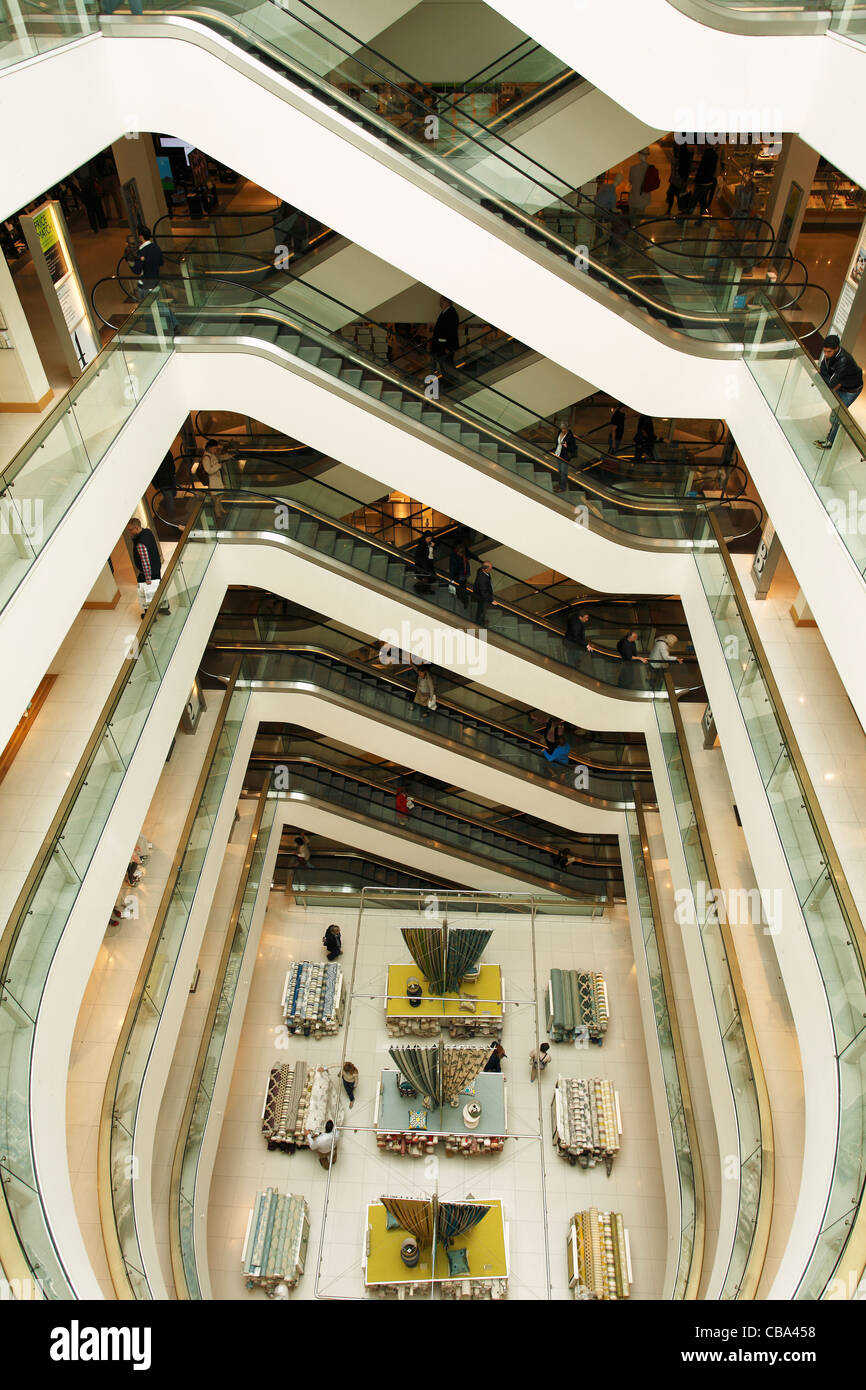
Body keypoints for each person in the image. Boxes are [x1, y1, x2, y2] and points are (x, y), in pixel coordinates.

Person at [815, 334, 864, 449]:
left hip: (851, 390)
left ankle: (830, 442)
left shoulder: (844, 360)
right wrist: (827, 378)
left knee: (837, 417)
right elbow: (823, 370)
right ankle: (833, 435)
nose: (826, 355)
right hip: (841, 386)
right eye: (825, 352)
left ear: (837, 348)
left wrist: (825, 378)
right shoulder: (830, 356)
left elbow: (829, 383)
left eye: (829, 352)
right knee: (834, 416)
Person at [127, 518, 162, 615]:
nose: (129, 532)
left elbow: (145, 563)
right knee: (159, 588)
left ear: (136, 528)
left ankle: (150, 615)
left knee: (147, 595)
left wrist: (148, 580)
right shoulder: (148, 531)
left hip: (149, 573)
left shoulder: (140, 544)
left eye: (130, 530)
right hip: (156, 567)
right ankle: (164, 608)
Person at [130, 225, 163, 298]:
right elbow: (161, 262)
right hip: (156, 281)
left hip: (145, 284)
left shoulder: (141, 252)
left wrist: (131, 263)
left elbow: (137, 271)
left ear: (141, 236)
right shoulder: (156, 247)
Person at [199, 439, 227, 519]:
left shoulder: (211, 454)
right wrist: (218, 465)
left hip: (217, 479)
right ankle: (217, 510)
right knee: (219, 495)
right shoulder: (206, 458)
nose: (215, 450)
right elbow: (208, 470)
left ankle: (220, 509)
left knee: (218, 496)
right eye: (214, 448)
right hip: (213, 481)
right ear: (209, 448)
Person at [431, 295, 459, 374]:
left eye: (442, 301)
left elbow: (451, 331)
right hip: (442, 346)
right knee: (444, 365)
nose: (440, 303)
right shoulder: (445, 312)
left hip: (445, 346)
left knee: (446, 365)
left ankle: (449, 381)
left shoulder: (451, 313)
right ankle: (447, 380)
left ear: (447, 302)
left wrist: (448, 347)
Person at [693, 146, 720, 216]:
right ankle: (702, 218)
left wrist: (697, 178)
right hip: (708, 181)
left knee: (694, 200)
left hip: (701, 181)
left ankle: (684, 219)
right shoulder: (715, 155)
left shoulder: (707, 154)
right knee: (703, 201)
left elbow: (702, 169)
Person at [153, 450, 177, 525]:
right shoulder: (153, 457)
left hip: (170, 478)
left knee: (173, 494)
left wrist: (173, 473)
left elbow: (171, 462)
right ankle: (173, 518)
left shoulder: (166, 452)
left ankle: (164, 503)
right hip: (163, 482)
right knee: (170, 499)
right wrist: (156, 485)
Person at [552, 422, 577, 492]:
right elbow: (557, 442)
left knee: (563, 473)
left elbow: (573, 448)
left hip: (565, 457)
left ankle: (563, 488)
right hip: (558, 455)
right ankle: (559, 485)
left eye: (564, 429)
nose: (563, 430)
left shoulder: (570, 436)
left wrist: (567, 446)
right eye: (562, 428)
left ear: (567, 428)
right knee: (560, 471)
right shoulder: (559, 432)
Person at [473, 561, 495, 628]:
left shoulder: (481, 570)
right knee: (481, 608)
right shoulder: (482, 578)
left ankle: (480, 620)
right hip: (481, 596)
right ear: (485, 569)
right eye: (490, 569)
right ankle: (479, 622)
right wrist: (491, 600)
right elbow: (484, 591)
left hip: (481, 593)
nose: (491, 570)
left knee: (482, 608)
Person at [449, 540, 471, 606]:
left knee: (463, 588)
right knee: (460, 589)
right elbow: (452, 568)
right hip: (458, 576)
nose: (461, 555)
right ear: (457, 552)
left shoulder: (463, 556)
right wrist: (452, 578)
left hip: (462, 576)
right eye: (460, 553)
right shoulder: (454, 557)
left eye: (462, 553)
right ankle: (463, 600)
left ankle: (464, 600)